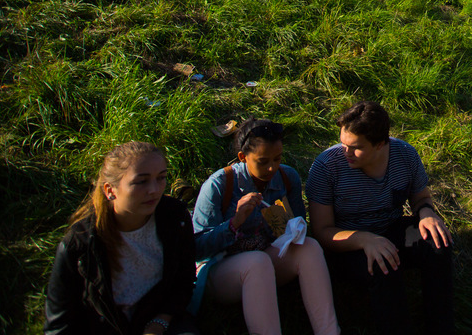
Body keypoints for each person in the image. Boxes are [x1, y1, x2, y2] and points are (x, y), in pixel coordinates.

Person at [307, 102, 453, 335]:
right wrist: (364, 240)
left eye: (355, 147)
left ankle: (441, 326)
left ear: (380, 144)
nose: (346, 152)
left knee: (438, 243)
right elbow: (322, 231)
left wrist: (426, 214)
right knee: (384, 266)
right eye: (343, 143)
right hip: (348, 243)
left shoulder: (405, 154)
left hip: (391, 228)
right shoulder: (326, 167)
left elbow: (421, 198)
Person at [191, 119, 339, 335]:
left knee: (309, 247)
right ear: (243, 157)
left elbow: (296, 229)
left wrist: (292, 228)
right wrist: (234, 223)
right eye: (262, 161)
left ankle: (329, 331)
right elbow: (197, 249)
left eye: (277, 159)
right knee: (256, 261)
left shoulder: (287, 178)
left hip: (265, 266)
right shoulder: (219, 185)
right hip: (223, 274)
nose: (272, 167)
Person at [45, 142, 199, 335]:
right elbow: (59, 323)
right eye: (141, 181)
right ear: (110, 190)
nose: (154, 189)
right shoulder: (81, 243)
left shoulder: (175, 218)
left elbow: (183, 282)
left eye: (161, 178)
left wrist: (161, 322)